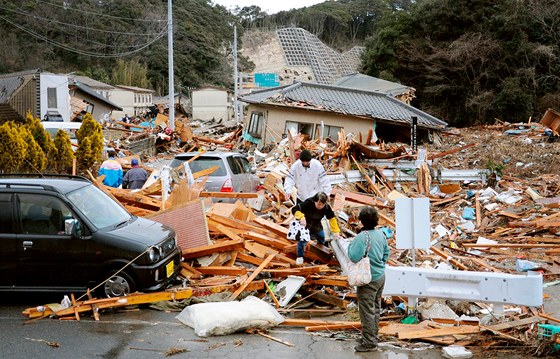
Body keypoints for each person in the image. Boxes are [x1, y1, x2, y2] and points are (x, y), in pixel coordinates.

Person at [348, 206, 390, 352]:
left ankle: (369, 342)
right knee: (375, 307)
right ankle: (372, 336)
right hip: (380, 276)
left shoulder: (362, 237)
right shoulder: (381, 235)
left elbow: (353, 256)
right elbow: (386, 254)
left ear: (361, 221)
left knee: (366, 310)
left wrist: (349, 246)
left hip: (368, 279)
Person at [291, 192, 342, 265]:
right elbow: (295, 209)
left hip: (316, 225)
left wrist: (336, 231)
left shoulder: (326, 207)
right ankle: (300, 257)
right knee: (302, 241)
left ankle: (322, 252)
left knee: (322, 237)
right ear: (315, 201)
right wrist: (301, 217)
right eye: (319, 204)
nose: (320, 206)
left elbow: (331, 218)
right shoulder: (308, 203)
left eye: (322, 204)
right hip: (305, 224)